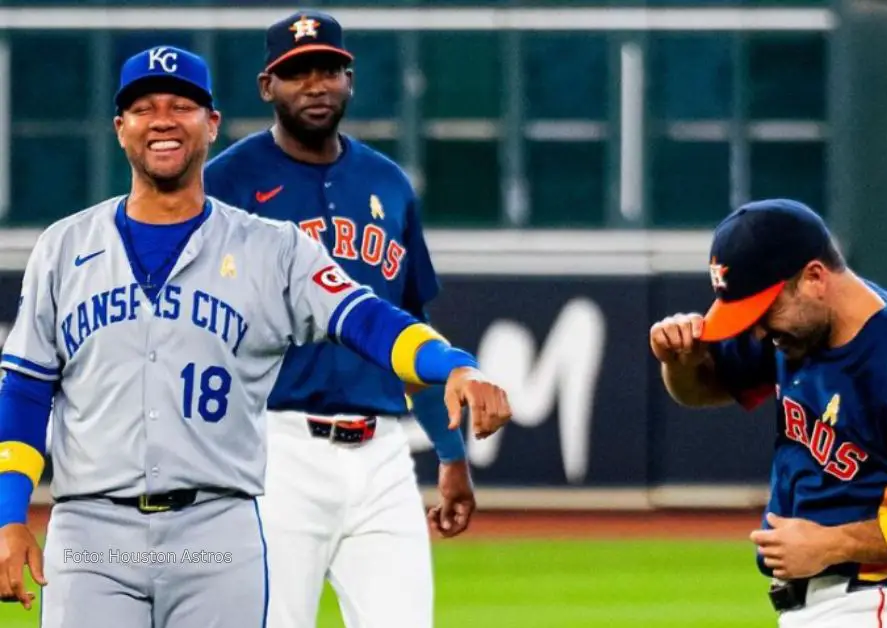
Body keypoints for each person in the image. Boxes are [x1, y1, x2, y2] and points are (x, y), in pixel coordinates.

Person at [0, 45, 511, 628]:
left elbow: (368, 318)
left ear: (211, 124)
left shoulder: (276, 249)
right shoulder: (64, 247)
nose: (163, 119)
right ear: (121, 129)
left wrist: (453, 365)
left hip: (217, 532)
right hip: (93, 535)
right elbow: (25, 391)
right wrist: (8, 517)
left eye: (182, 105)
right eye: (144, 108)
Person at [203, 10, 478, 628]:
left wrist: (451, 454)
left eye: (328, 69)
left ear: (350, 79)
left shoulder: (388, 183)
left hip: (381, 452)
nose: (316, 85)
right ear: (266, 87)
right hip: (274, 449)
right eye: (297, 72)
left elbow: (412, 323)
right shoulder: (225, 182)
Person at [650, 199, 887, 627]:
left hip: (877, 604)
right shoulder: (799, 331)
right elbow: (700, 392)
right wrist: (680, 361)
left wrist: (836, 544)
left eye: (762, 311)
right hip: (824, 605)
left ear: (815, 277)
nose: (757, 330)